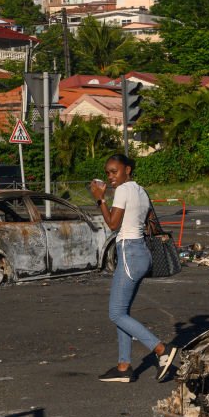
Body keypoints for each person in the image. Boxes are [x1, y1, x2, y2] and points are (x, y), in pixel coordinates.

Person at [89, 154, 177, 383]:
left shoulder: (124, 190)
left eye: (114, 171)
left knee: (116, 313)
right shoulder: (141, 190)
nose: (111, 176)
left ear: (127, 169)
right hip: (142, 254)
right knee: (123, 311)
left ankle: (161, 349)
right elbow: (146, 219)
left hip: (129, 252)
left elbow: (112, 224)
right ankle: (124, 366)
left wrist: (100, 199)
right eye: (108, 172)